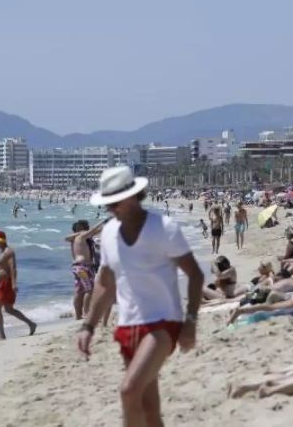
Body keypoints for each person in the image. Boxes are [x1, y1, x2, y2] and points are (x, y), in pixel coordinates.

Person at [78, 166, 204, 427]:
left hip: (162, 324)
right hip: (127, 325)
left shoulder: (163, 228)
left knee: (128, 390)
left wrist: (190, 321)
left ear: (133, 196)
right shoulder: (110, 233)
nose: (110, 209)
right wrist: (88, 325)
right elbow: (105, 282)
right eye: (107, 204)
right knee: (149, 407)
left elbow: (195, 275)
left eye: (114, 203)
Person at [0, 231, 37, 340]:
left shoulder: (9, 252)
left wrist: (14, 284)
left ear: (1, 240)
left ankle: (2, 335)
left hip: (6, 284)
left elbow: (13, 268)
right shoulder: (1, 252)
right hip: (2, 283)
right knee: (9, 309)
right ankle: (31, 324)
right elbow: (0, 267)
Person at [65, 219, 108, 320]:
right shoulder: (81, 236)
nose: (88, 228)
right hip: (83, 268)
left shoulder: (75, 238)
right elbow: (93, 230)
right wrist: (103, 221)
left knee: (78, 291)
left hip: (77, 267)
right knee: (90, 290)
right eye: (87, 227)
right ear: (81, 228)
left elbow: (95, 231)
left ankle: (78, 315)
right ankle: (86, 313)